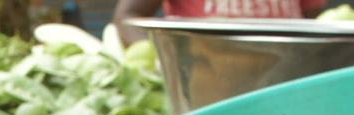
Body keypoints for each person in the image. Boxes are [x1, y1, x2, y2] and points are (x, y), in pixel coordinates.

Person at [115, 0, 327, 44]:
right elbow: (128, 17)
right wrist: (159, 63)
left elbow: (313, 18)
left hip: (284, 86)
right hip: (201, 85)